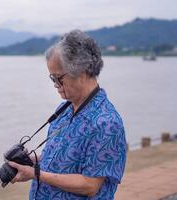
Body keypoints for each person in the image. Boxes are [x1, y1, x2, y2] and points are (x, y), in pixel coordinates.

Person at [8, 29, 127, 200]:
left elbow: (90, 185)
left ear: (82, 72)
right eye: (52, 78)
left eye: (58, 78)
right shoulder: (64, 110)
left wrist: (35, 173)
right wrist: (30, 160)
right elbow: (61, 157)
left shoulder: (106, 123)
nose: (55, 84)